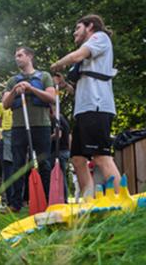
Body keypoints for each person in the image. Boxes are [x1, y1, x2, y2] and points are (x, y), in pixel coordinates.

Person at [50, 14, 121, 198]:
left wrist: (58, 64)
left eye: (77, 28)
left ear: (90, 26)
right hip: (84, 110)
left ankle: (122, 201)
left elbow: (76, 56)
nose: (75, 33)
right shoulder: (87, 58)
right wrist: (65, 85)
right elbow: (78, 88)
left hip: (97, 107)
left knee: (100, 156)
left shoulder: (99, 38)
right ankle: (88, 202)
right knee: (78, 159)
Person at [2, 46, 55, 212]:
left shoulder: (44, 76)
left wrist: (31, 89)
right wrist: (15, 92)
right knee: (18, 165)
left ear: (30, 56)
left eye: (20, 55)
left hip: (41, 125)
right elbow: (5, 104)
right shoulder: (12, 80)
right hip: (19, 127)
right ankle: (15, 204)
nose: (17, 58)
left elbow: (52, 97)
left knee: (44, 163)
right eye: (15, 56)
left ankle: (47, 202)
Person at [49, 106, 70, 202]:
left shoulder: (56, 119)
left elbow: (58, 134)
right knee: (62, 175)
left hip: (59, 151)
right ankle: (63, 199)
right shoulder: (63, 119)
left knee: (59, 176)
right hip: (65, 150)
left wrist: (46, 139)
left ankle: (63, 200)